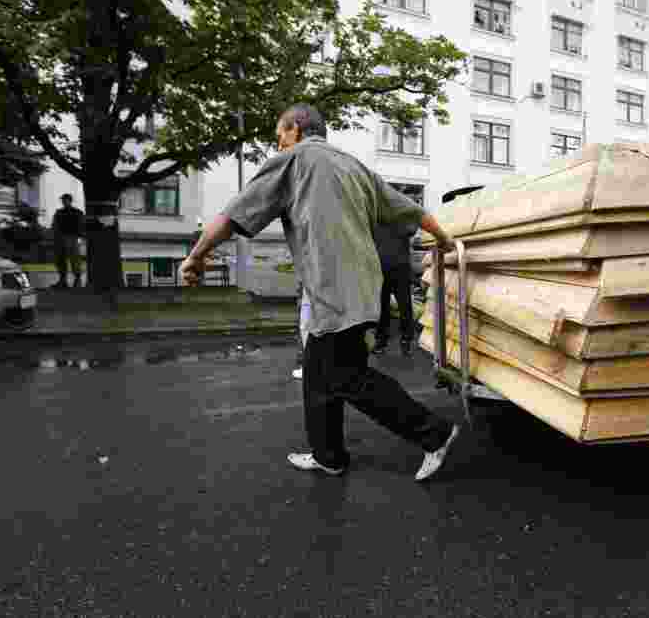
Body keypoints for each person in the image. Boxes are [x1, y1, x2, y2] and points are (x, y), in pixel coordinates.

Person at [180, 103, 460, 481]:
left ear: (296, 128)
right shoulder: (355, 167)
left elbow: (234, 214)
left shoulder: (294, 160)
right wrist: (443, 239)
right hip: (361, 287)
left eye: (280, 135)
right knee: (317, 372)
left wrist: (196, 256)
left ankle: (433, 433)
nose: (278, 144)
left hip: (334, 290)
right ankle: (328, 455)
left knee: (345, 376)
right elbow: (410, 210)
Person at [371, 220, 419, 356]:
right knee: (382, 307)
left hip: (400, 268)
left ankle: (406, 341)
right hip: (380, 268)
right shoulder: (375, 216)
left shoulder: (401, 215)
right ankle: (381, 341)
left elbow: (412, 227)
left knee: (405, 305)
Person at [52, 194, 85, 289]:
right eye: (63, 200)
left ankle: (76, 280)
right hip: (61, 238)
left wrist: (79, 236)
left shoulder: (77, 212)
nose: (63, 202)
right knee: (60, 259)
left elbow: (81, 226)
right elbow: (54, 225)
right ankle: (63, 281)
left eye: (65, 200)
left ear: (69, 201)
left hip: (72, 238)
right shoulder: (59, 212)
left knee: (74, 259)